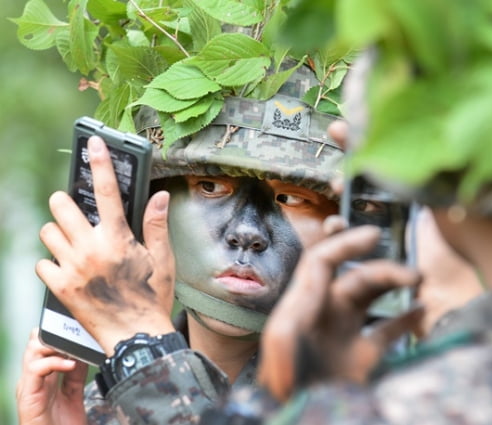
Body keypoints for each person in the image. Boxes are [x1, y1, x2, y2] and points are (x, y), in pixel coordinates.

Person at [16, 61, 346, 425]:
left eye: (292, 198)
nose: (248, 231)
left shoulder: (374, 392)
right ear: (155, 205)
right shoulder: (104, 404)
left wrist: (141, 349)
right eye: (211, 187)